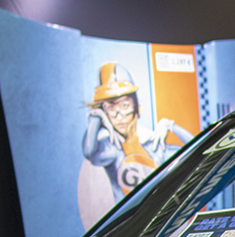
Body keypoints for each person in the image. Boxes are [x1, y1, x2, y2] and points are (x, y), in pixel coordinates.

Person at [81, 63, 191, 204]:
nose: (119, 116)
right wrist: (95, 117)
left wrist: (171, 126)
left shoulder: (155, 148)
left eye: (125, 106)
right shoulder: (112, 150)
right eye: (111, 108)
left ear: (138, 109)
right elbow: (89, 152)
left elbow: (201, 153)